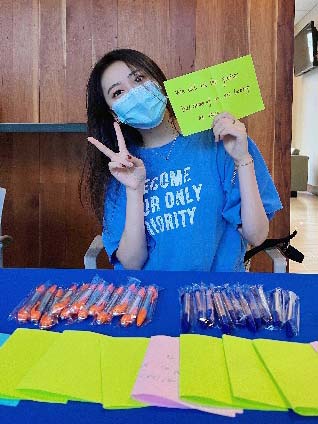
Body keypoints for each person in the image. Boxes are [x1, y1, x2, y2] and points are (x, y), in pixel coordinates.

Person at [81, 48, 282, 272]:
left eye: (139, 78)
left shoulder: (219, 140)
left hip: (216, 295)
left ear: (158, 81)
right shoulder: (122, 166)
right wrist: (134, 190)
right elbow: (132, 263)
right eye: (118, 93)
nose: (134, 92)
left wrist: (243, 159)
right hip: (151, 295)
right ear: (114, 114)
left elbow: (256, 234)